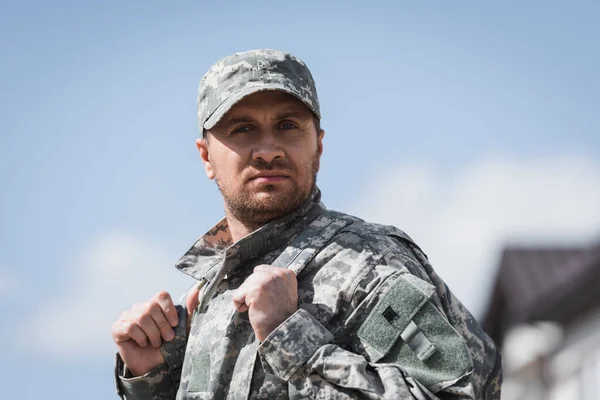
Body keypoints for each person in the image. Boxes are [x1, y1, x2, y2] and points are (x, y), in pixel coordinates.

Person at [111, 49, 502, 400]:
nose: (268, 150)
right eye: (243, 129)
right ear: (206, 157)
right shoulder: (208, 297)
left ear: (318, 144)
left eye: (288, 126)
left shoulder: (369, 265)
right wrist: (152, 379)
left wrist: (293, 338)